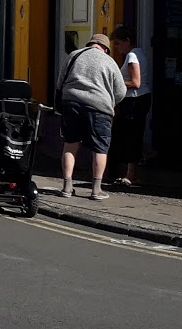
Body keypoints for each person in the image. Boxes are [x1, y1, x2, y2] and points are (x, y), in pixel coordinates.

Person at [57, 32, 126, 201]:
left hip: (71, 102)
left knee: (70, 144)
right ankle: (96, 190)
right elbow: (121, 91)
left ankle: (67, 186)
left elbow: (60, 82)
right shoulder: (109, 61)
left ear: (90, 44)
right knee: (100, 148)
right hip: (99, 107)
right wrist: (109, 102)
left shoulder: (74, 56)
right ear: (105, 49)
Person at [107, 25, 152, 186]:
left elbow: (135, 82)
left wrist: (115, 82)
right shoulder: (139, 54)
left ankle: (130, 174)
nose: (116, 48)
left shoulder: (132, 56)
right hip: (139, 99)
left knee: (128, 135)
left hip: (134, 100)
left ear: (127, 41)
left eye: (118, 43)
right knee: (131, 135)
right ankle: (130, 172)